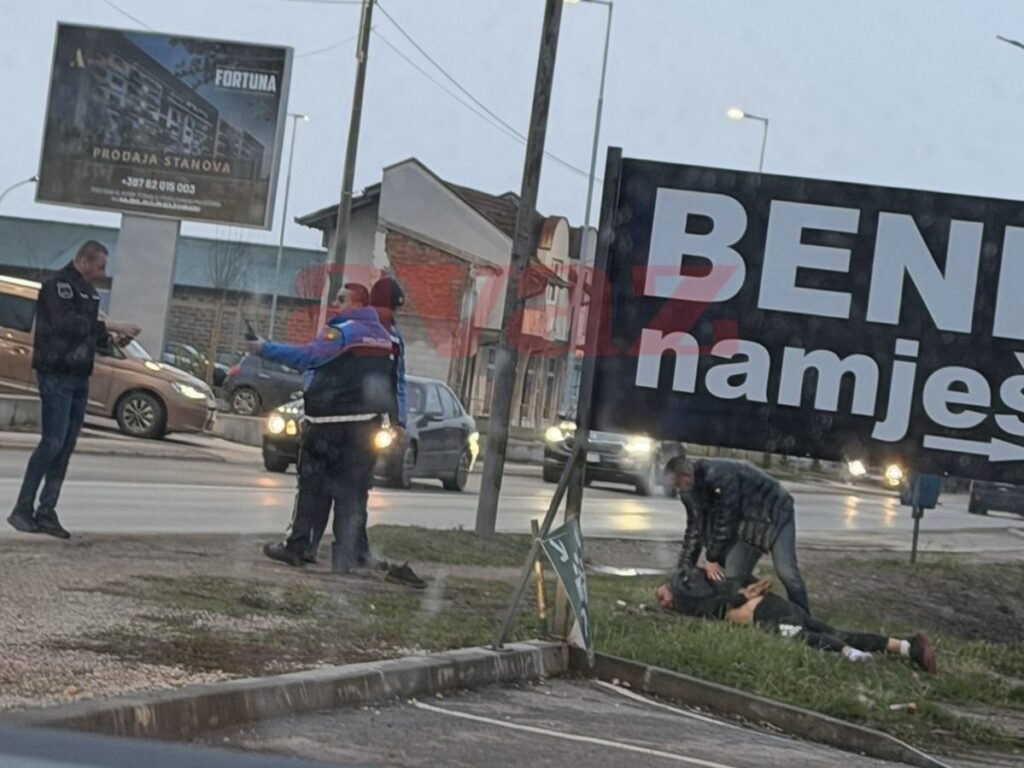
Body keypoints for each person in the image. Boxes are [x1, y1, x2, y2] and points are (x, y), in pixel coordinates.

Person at [250, 282, 398, 573]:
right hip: (365, 431)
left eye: (341, 299)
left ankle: (299, 547)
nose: (335, 303)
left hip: (329, 428)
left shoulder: (344, 332)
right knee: (354, 494)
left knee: (312, 490)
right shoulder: (385, 337)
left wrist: (264, 348)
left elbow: (308, 357)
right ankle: (348, 558)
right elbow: (393, 382)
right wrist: (394, 420)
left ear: (357, 304)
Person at [8, 241, 140, 538]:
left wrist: (113, 341)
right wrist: (109, 325)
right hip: (55, 373)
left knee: (66, 446)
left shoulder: (89, 294)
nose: (101, 273)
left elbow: (89, 336)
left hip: (80, 375)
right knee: (51, 442)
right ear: (82, 260)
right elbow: (65, 325)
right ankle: (22, 508)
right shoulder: (56, 287)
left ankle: (47, 510)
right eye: (99, 266)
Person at [655, 568, 937, 672]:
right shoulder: (712, 586)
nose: (663, 602)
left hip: (768, 613)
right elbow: (738, 584)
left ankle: (851, 655)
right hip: (777, 606)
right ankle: (907, 647)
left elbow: (722, 601)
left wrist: (745, 594)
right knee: (834, 631)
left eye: (662, 596)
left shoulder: (700, 598)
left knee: (799, 637)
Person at [665, 454, 811, 614]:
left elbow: (725, 518)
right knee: (733, 575)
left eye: (678, 483)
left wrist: (711, 557)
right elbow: (694, 529)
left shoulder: (719, 476)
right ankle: (767, 605)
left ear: (688, 476)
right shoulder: (688, 493)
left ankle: (803, 613)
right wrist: (681, 574)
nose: (677, 489)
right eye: (674, 486)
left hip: (775, 511)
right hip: (746, 524)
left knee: (787, 571)